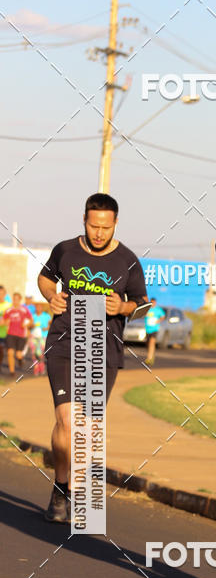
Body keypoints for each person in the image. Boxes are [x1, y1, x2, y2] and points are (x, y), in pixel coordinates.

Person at [37, 192, 147, 523]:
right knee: (67, 421)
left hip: (102, 347)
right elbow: (45, 278)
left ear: (116, 224)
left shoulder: (127, 260)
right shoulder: (65, 250)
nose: (99, 233)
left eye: (105, 227)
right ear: (84, 221)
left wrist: (123, 307)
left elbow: (143, 304)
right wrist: (51, 296)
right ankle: (62, 487)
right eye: (93, 226)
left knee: (87, 427)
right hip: (64, 341)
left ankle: (72, 489)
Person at [2, 292, 32, 376]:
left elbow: (31, 320)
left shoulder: (24, 310)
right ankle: (12, 372)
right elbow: (4, 321)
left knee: (18, 354)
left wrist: (26, 325)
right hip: (10, 334)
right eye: (14, 299)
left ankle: (20, 359)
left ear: (20, 300)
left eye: (17, 299)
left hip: (21, 335)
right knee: (10, 352)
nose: (15, 301)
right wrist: (5, 323)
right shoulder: (8, 310)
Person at [30, 302, 51, 376]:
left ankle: (41, 366)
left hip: (43, 336)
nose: (38, 308)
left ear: (42, 308)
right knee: (34, 352)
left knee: (41, 352)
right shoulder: (33, 316)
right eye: (37, 307)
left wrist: (47, 328)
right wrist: (32, 325)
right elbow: (29, 325)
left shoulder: (46, 316)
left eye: (40, 307)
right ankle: (36, 367)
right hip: (34, 336)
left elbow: (51, 324)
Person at [144, 298, 166, 366]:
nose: (152, 304)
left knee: (152, 342)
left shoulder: (158, 310)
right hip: (148, 329)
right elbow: (142, 315)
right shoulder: (147, 309)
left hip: (155, 329)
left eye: (153, 302)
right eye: (151, 302)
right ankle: (151, 355)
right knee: (148, 344)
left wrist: (158, 321)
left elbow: (163, 316)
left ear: (155, 303)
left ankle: (149, 358)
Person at [0, 286, 11, 373]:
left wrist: (6, 322)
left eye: (2, 294)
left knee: (1, 349)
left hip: (4, 333)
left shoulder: (8, 305)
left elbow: (11, 318)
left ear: (4, 294)